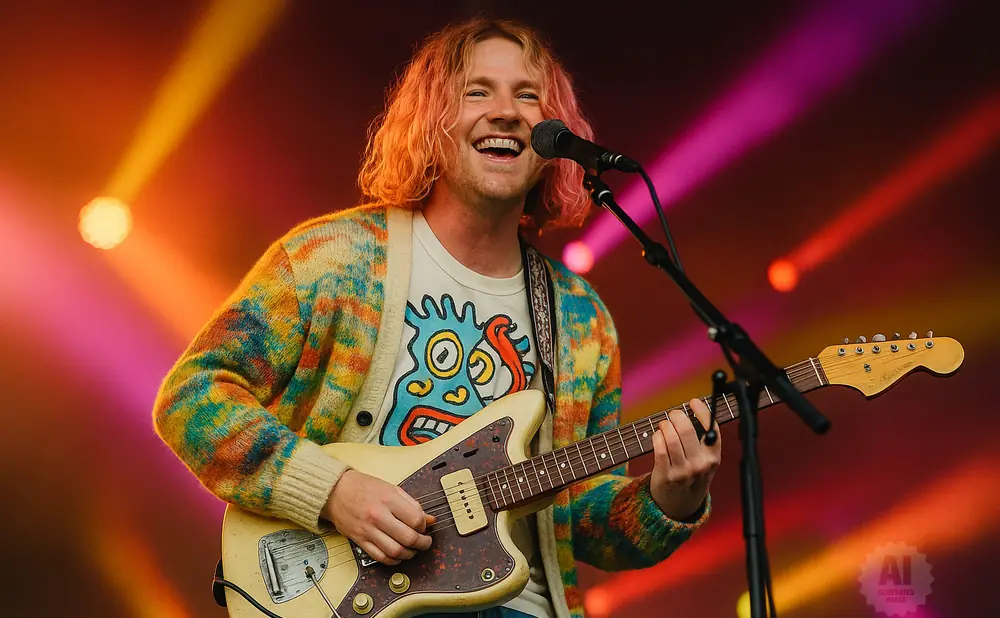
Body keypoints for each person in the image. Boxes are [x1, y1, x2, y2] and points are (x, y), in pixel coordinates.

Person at [154, 17, 721, 618]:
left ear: (554, 137)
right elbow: (191, 398)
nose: (507, 111)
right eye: (478, 91)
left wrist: (670, 498)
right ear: (431, 122)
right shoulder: (334, 259)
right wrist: (333, 490)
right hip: (347, 597)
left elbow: (579, 517)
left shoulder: (581, 321)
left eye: (528, 96)